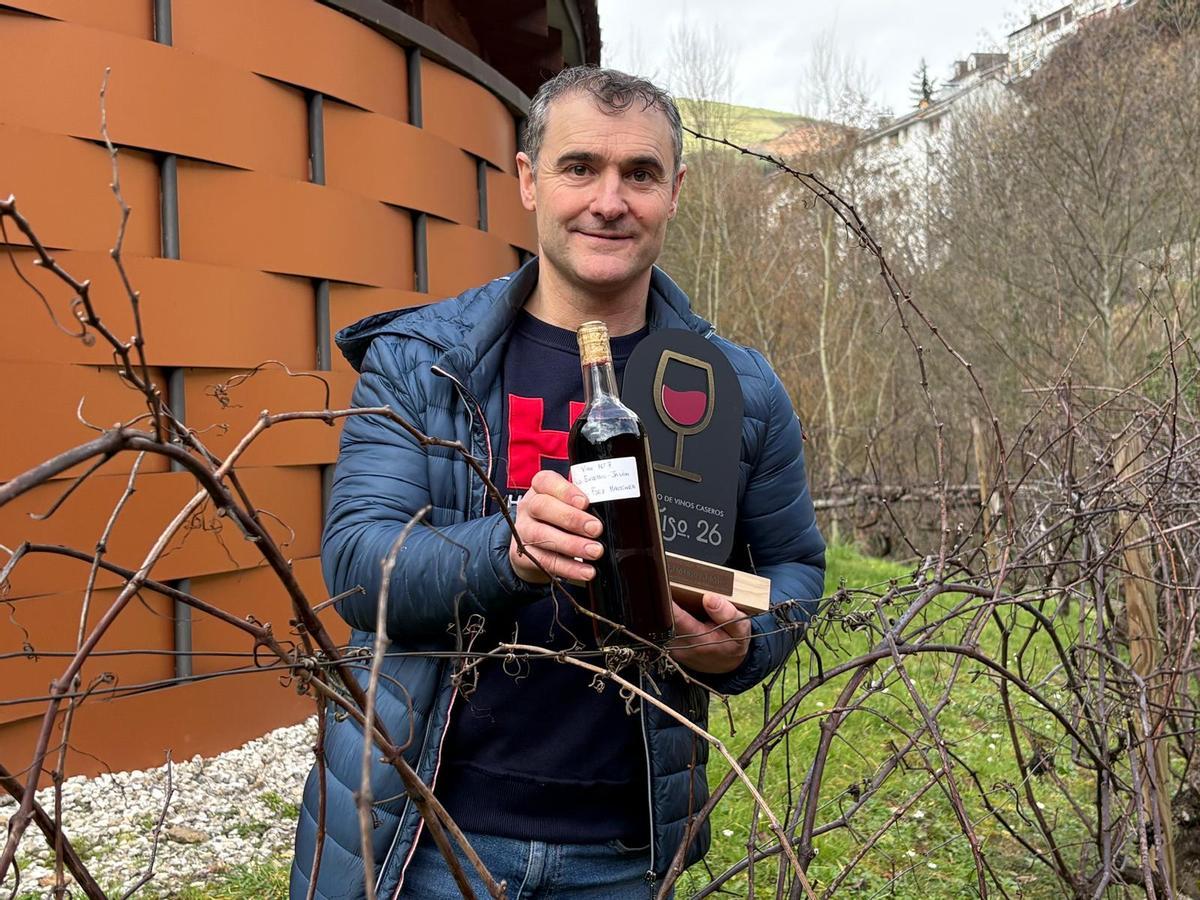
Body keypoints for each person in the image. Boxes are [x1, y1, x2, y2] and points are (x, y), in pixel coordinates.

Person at [290, 67, 825, 900]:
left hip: (619, 852)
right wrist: (507, 552)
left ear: (675, 191)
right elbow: (360, 565)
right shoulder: (421, 363)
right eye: (580, 167)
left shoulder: (736, 389)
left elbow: (795, 569)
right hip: (421, 836)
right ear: (529, 179)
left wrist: (745, 642)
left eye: (640, 174)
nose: (609, 200)